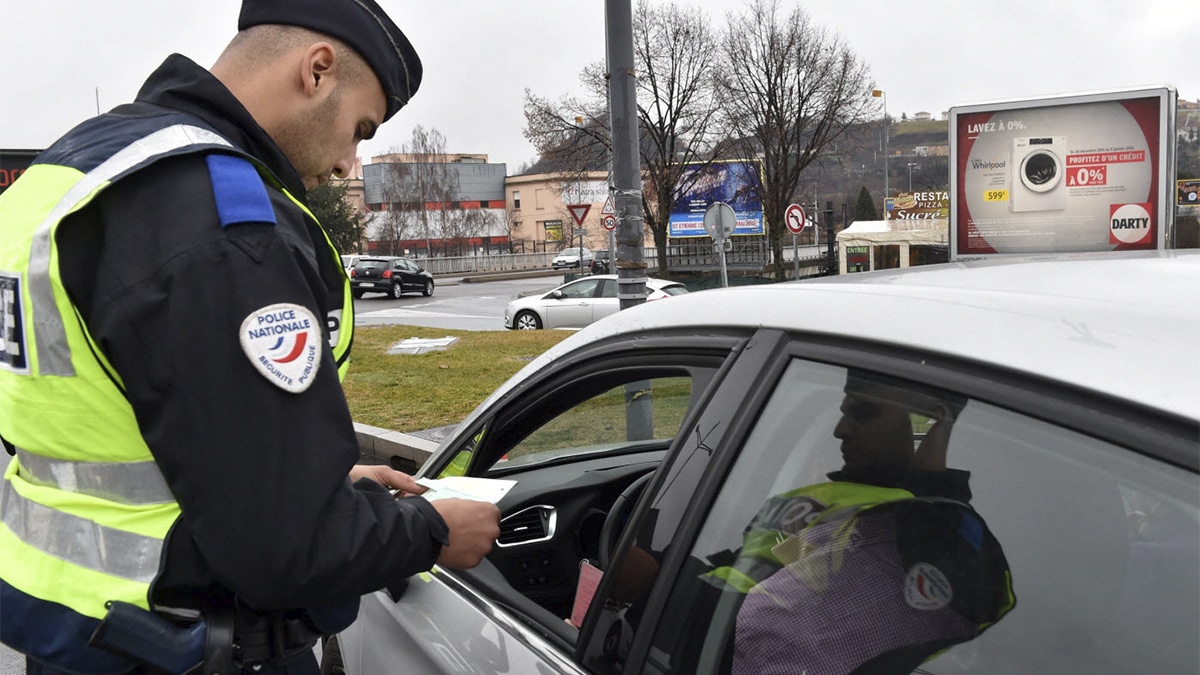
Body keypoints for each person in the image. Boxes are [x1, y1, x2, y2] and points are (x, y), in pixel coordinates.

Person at [0, 1, 500, 673]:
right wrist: (435, 531)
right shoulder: (224, 226)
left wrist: (313, 474)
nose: (350, 162)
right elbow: (288, 548)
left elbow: (108, 421)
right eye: (360, 129)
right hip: (189, 642)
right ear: (318, 70)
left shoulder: (69, 175)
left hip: (79, 633)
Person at [706, 371, 1015, 674]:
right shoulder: (833, 492)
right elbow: (755, 569)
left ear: (929, 421)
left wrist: (671, 582)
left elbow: (775, 635)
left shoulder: (936, 533)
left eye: (864, 412)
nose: (840, 429)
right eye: (844, 413)